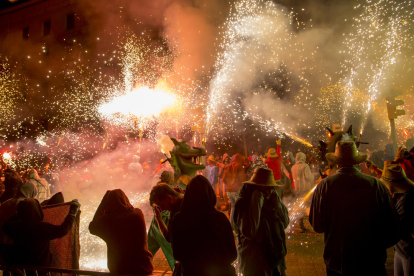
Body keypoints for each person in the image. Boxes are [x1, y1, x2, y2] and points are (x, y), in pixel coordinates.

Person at [310, 141, 400, 276]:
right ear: (357, 162)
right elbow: (392, 226)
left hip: (338, 261)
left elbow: (317, 225)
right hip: (372, 261)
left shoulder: (324, 186)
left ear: (337, 162)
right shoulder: (376, 185)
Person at [171, 175, 237, 276]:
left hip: (191, 272)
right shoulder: (219, 218)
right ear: (210, 194)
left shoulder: (179, 219)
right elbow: (232, 253)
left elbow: (177, 254)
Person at [233, 168, 289, 276]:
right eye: (266, 187)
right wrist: (256, 203)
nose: (270, 190)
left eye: (271, 188)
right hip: (255, 261)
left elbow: (285, 222)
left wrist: (276, 201)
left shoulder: (272, 199)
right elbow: (250, 232)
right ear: (255, 187)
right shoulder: (243, 203)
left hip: (276, 257)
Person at [3, 198, 80, 273]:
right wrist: (72, 213)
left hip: (22, 270)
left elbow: (5, 225)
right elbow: (62, 230)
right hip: (41, 270)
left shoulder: (16, 227)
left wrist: (21, 212)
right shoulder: (41, 227)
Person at [89, 190, 153, 275]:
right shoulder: (137, 214)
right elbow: (129, 208)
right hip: (143, 267)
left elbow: (92, 227)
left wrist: (104, 201)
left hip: (119, 269)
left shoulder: (107, 222)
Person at [380, 164, 414, 276]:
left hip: (408, 250)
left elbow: (396, 228)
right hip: (400, 249)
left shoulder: (405, 202)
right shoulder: (401, 197)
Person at [147, 184, 184, 269]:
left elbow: (169, 237)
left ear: (169, 198)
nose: (162, 210)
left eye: (161, 205)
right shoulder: (186, 199)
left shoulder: (177, 214)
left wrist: (158, 218)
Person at [222, 153, 246, 223]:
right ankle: (236, 228)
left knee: (233, 207)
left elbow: (223, 179)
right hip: (237, 190)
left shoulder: (228, 166)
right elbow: (242, 179)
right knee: (238, 209)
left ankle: (232, 226)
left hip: (229, 191)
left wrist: (229, 185)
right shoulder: (239, 166)